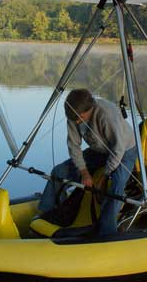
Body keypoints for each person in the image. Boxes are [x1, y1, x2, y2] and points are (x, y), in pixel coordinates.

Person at [38, 88, 137, 236]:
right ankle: (49, 214)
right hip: (99, 150)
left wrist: (104, 177)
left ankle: (107, 232)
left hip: (124, 150)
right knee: (59, 172)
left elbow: (118, 149)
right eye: (73, 119)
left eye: (79, 118)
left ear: (88, 111)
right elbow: (74, 146)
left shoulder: (107, 115)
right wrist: (84, 172)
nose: (76, 122)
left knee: (117, 186)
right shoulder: (74, 114)